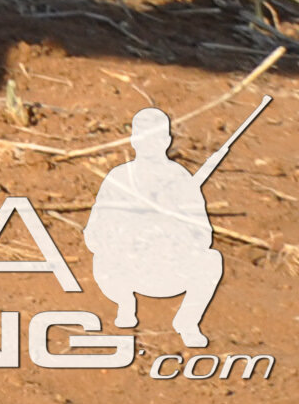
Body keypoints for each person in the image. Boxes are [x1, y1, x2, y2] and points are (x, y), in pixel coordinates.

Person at [84, 106, 228, 348]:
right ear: (133, 140)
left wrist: (172, 232)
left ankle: (187, 322)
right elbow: (94, 232)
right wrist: (127, 236)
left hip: (170, 268)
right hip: (126, 269)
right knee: (101, 258)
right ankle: (125, 303)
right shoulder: (119, 178)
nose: (149, 144)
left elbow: (203, 235)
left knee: (212, 259)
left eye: (156, 138)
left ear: (166, 141)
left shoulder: (182, 179)